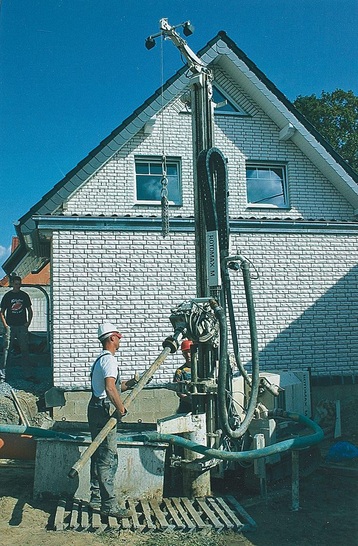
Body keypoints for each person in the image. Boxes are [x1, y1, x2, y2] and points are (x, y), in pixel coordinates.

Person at [87, 322, 138, 518]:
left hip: (95, 406)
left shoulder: (100, 359)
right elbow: (110, 389)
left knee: (97, 453)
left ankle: (96, 498)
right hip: (104, 410)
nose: (120, 339)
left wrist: (133, 383)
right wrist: (121, 408)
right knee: (108, 457)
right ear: (111, 338)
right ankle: (109, 505)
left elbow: (114, 386)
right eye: (118, 336)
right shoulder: (109, 360)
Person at [0, 276, 33, 381]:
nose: (18, 286)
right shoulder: (7, 296)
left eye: (19, 284)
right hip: (10, 326)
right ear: (12, 284)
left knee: (24, 349)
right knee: (6, 349)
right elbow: (2, 312)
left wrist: (28, 323)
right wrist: (5, 325)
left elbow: (29, 310)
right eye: (16, 284)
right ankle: (3, 375)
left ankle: (27, 374)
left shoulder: (24, 296)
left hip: (21, 326)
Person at [173, 339, 193, 413]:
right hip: (186, 407)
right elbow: (178, 390)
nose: (188, 355)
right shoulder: (180, 371)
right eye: (185, 353)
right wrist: (189, 399)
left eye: (190, 352)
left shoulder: (202, 369)